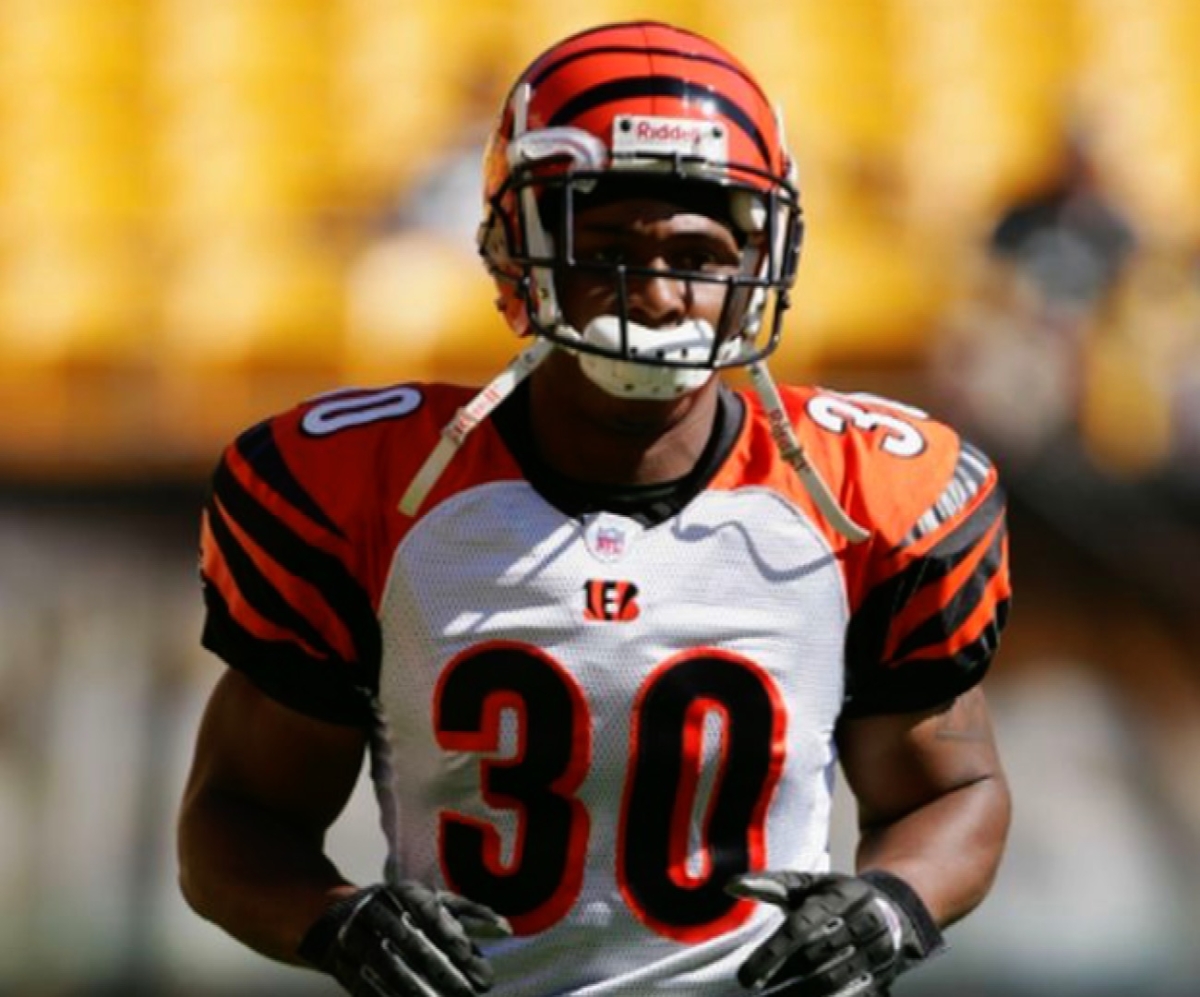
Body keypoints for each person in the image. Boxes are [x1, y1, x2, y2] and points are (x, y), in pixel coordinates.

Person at [177, 20, 1012, 997]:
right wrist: (333, 920)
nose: (657, 293)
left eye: (698, 254)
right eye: (607, 247)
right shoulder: (372, 495)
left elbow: (956, 787)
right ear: (520, 256)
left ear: (757, 266)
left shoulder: (861, 498)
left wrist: (894, 902)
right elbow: (237, 818)